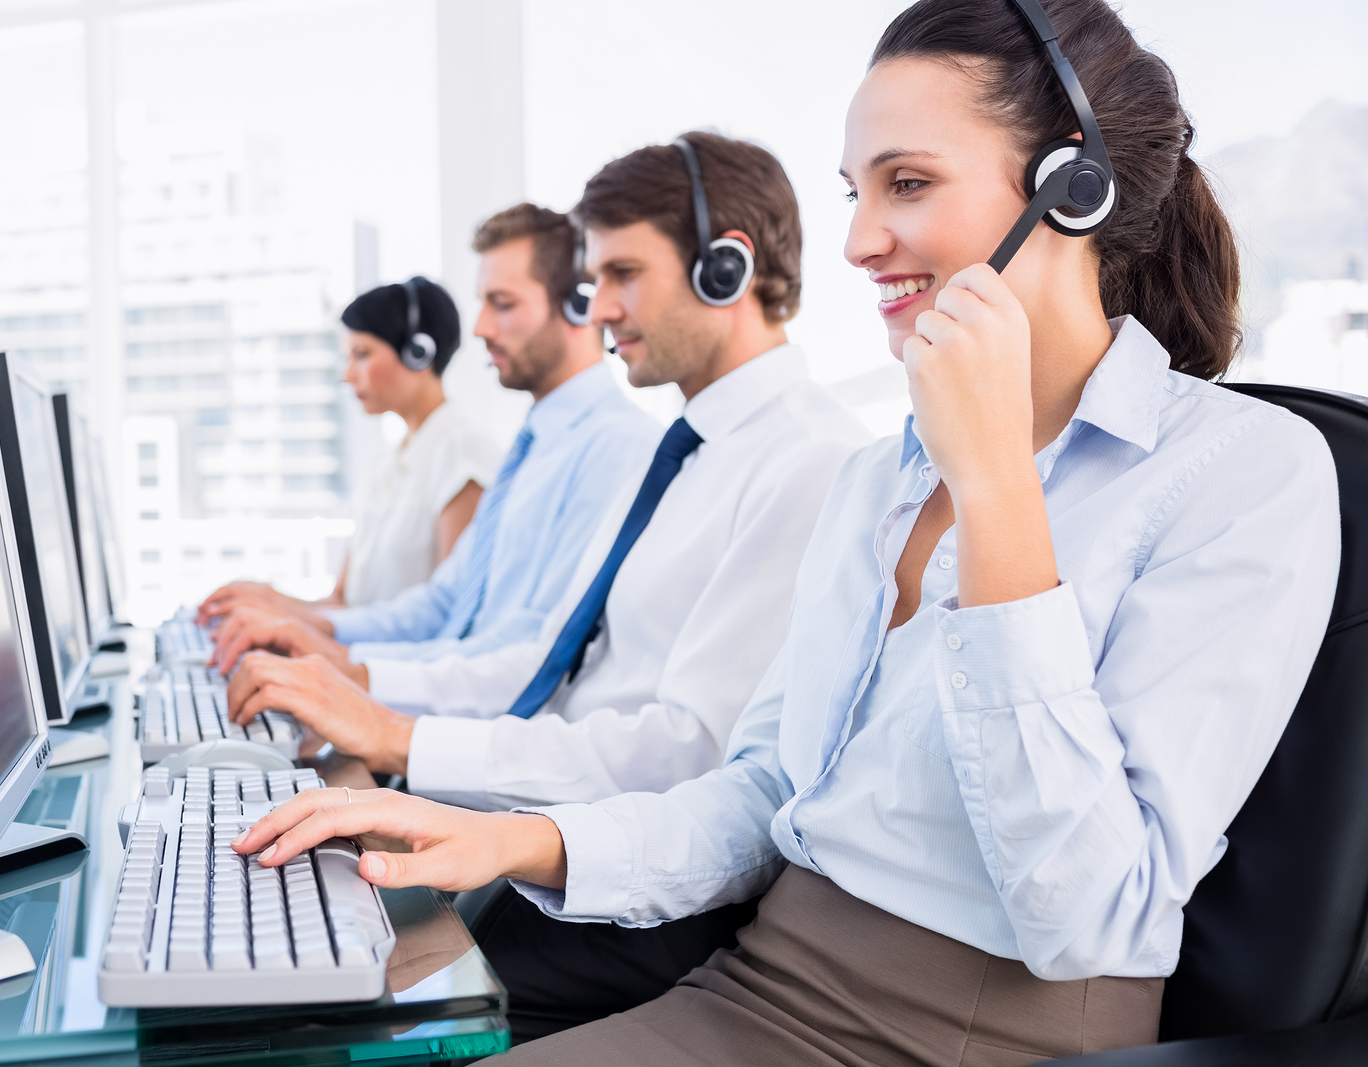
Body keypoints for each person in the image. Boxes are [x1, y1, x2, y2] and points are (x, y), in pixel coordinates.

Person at [230, 1, 1342, 1063]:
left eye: (906, 183)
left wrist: (996, 481)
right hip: (762, 978)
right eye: (855, 190)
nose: (859, 240)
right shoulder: (878, 476)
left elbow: (1085, 913)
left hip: (978, 1036)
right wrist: (522, 840)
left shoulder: (1242, 472)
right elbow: (768, 792)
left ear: (1072, 187)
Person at [216, 131, 872, 1038]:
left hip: (637, 881)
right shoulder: (682, 450)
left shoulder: (810, 460)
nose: (597, 308)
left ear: (727, 268)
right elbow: (544, 660)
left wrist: (400, 734)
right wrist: (380, 715)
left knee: (331, 1015)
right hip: (556, 826)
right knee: (283, 934)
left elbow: (697, 754)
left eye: (623, 274)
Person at [197, 204, 658, 660]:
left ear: (580, 306)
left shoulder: (615, 449)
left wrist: (352, 673)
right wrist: (301, 628)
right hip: (440, 700)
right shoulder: (534, 447)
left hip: (483, 719)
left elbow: (531, 654)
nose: (479, 328)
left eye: (502, 304)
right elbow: (443, 604)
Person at [329, 277, 498, 609]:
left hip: (387, 659)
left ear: (418, 353)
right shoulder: (388, 458)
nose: (347, 374)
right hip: (352, 654)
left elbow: (451, 614)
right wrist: (261, 604)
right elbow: (341, 602)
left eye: (361, 354)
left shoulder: (463, 452)